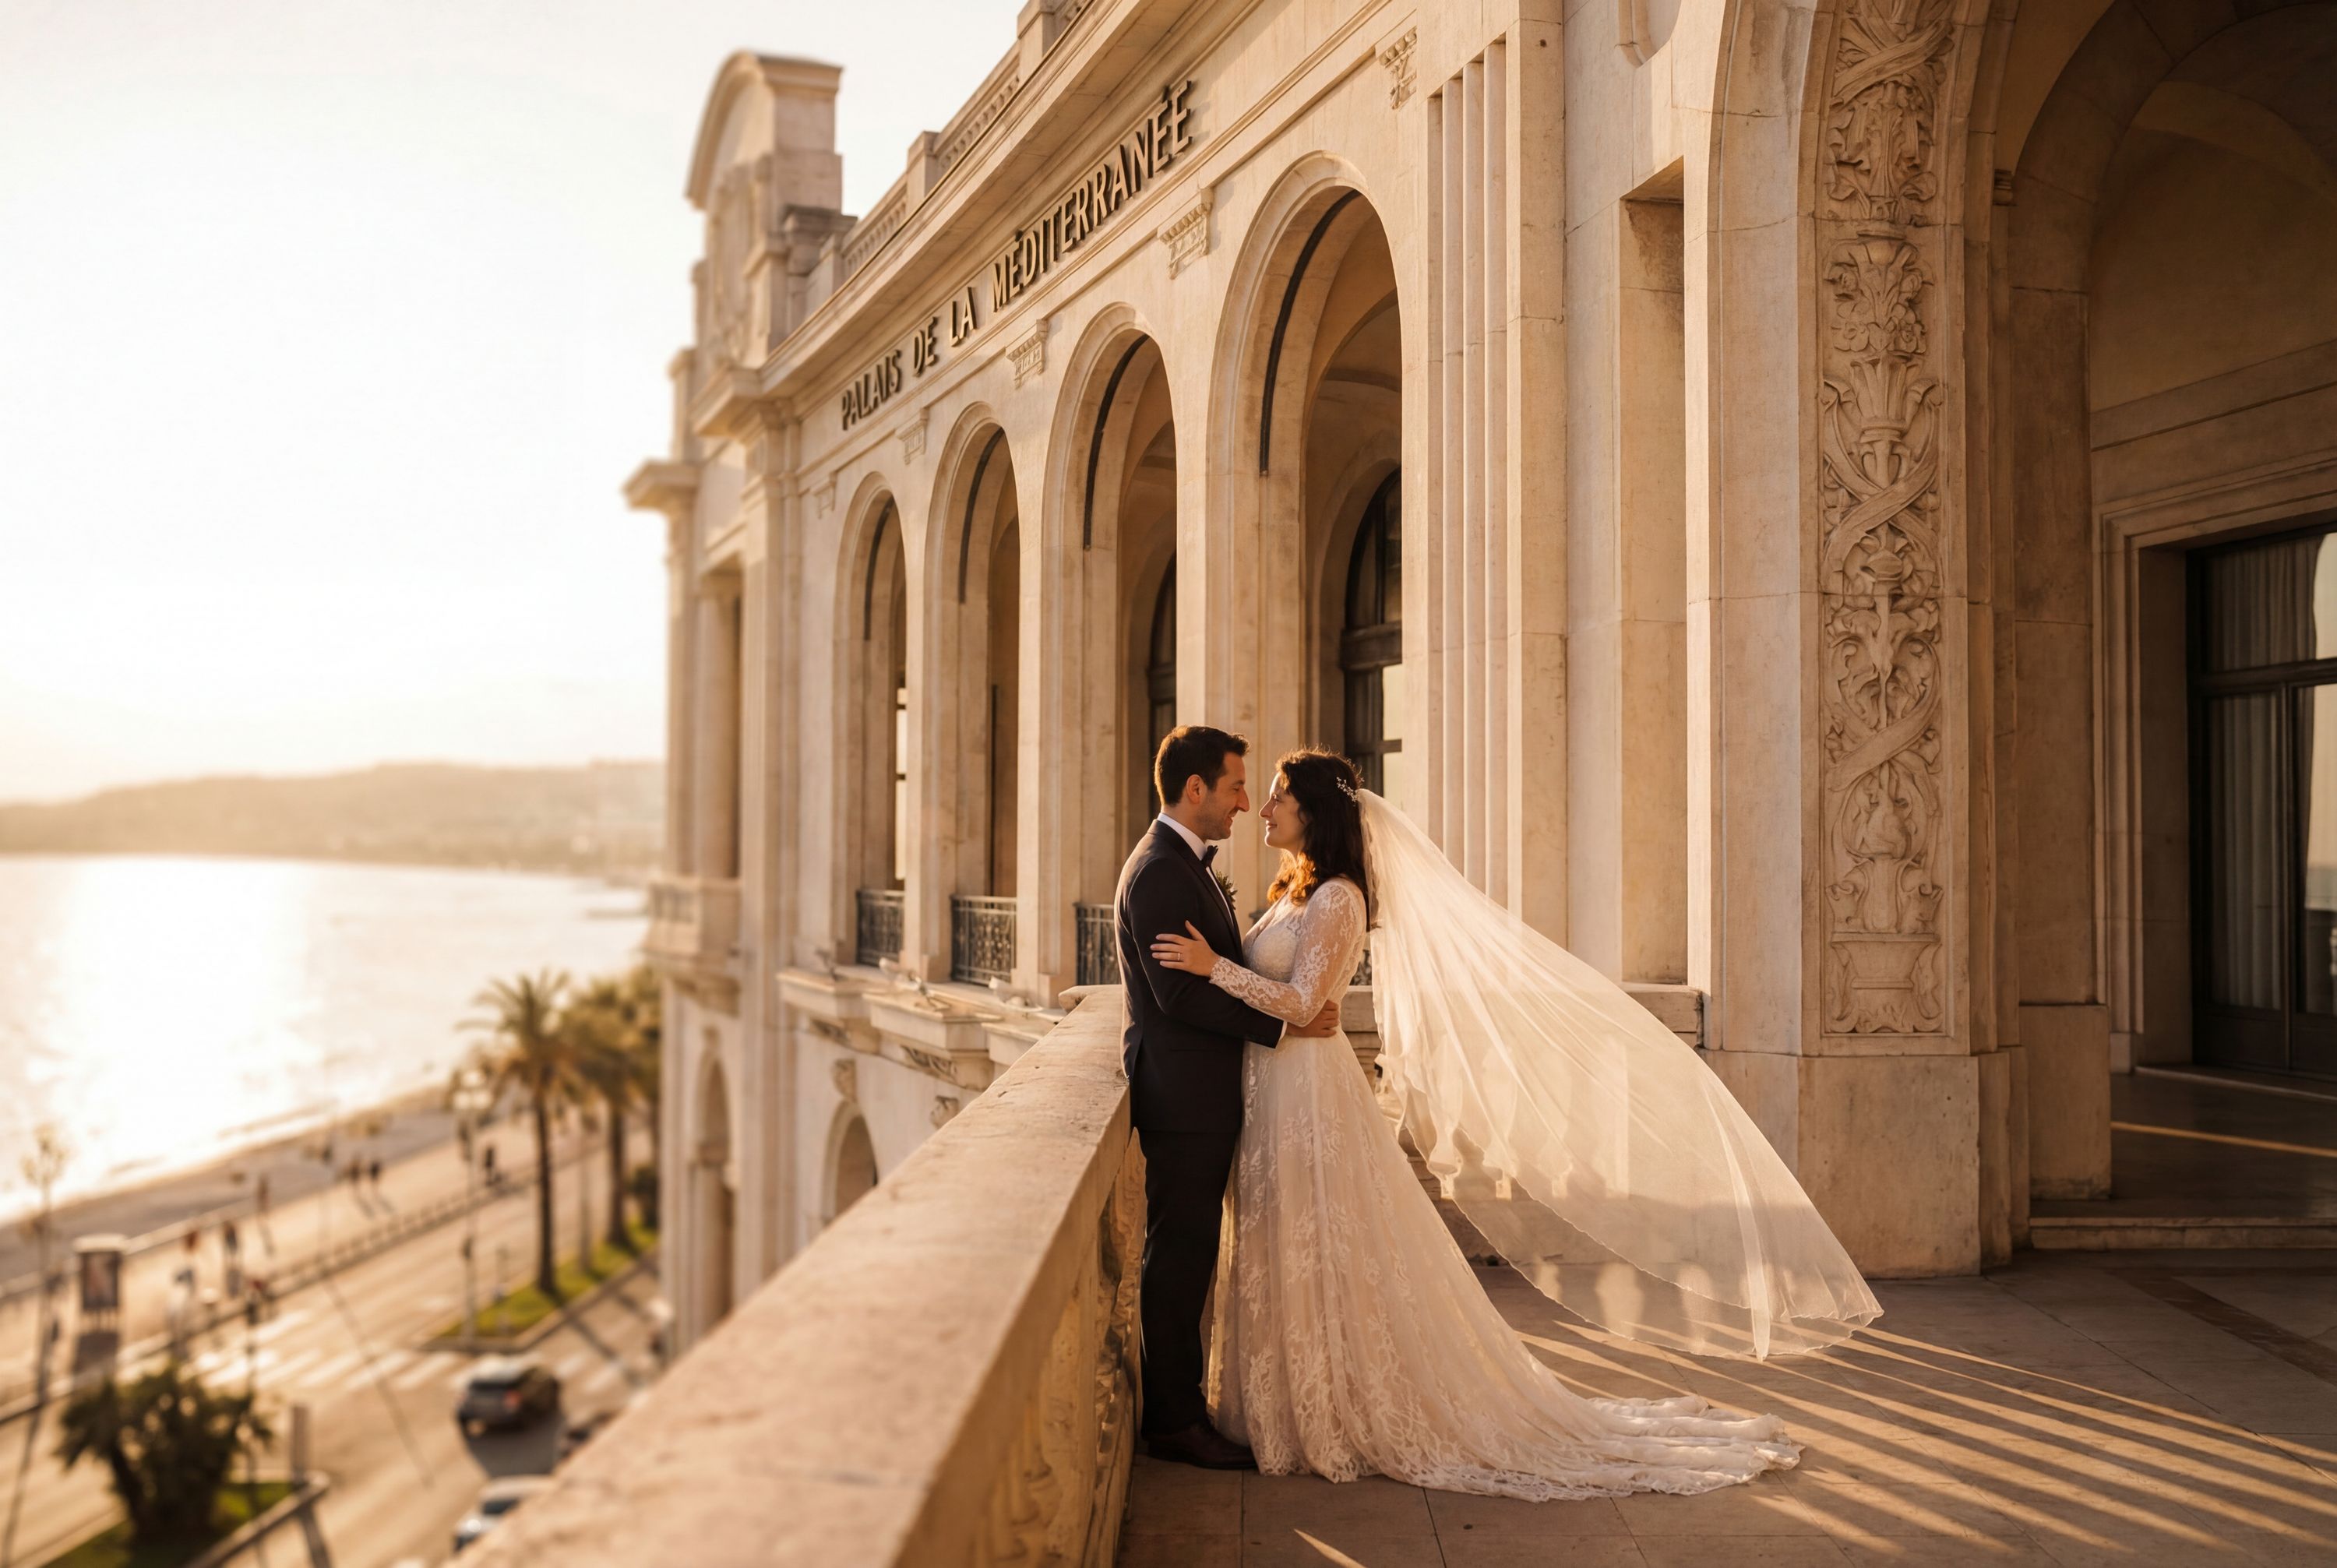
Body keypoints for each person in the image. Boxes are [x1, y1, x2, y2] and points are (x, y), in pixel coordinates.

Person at [1147, 747, 1882, 1500]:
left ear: (1314, 811)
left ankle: (1338, 1407)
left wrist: (1216, 968)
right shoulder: (1295, 890)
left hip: (1309, 1099)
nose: (1262, 809)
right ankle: (1288, 1403)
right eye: (1257, 794)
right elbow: (1298, 1000)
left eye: (1275, 797)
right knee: (1294, 1245)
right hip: (1275, 1091)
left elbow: (1304, 1004)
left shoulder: (1338, 897)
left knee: (1324, 1246)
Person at [1114, 725, 1343, 1471]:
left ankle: (1186, 1407)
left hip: (1207, 1095)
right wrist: (1287, 1026)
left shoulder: (1187, 866)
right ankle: (1175, 1419)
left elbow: (1218, 971)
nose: (1248, 802)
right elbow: (1179, 993)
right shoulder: (1158, 874)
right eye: (1238, 787)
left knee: (1192, 1253)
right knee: (1179, 1256)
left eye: (1259, 791)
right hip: (1182, 1100)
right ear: (1195, 791)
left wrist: (1286, 1010)